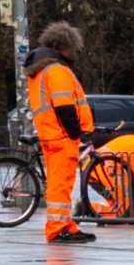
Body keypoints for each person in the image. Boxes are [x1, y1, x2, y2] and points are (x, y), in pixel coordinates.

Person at [25, 21, 99, 244]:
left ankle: (66, 224)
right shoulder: (57, 70)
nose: (72, 52)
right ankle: (57, 228)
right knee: (61, 183)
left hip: (51, 133)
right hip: (62, 135)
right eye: (71, 48)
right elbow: (65, 106)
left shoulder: (40, 70)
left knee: (61, 182)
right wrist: (76, 132)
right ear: (63, 46)